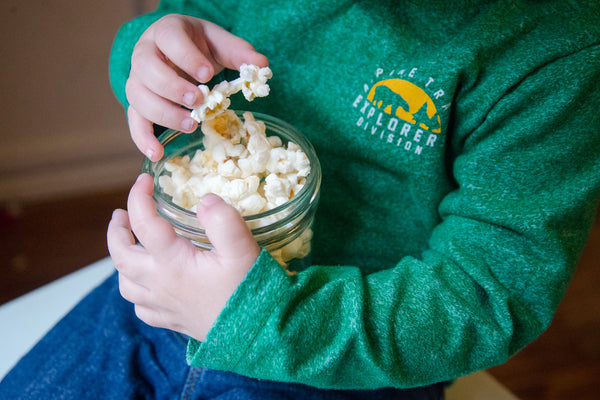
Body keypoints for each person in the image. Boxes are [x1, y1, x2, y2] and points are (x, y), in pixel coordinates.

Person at [2, 0, 599, 398]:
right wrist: (147, 54)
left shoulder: (555, 52)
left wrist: (265, 317)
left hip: (349, 351)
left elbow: (488, 294)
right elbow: (176, 31)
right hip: (162, 298)